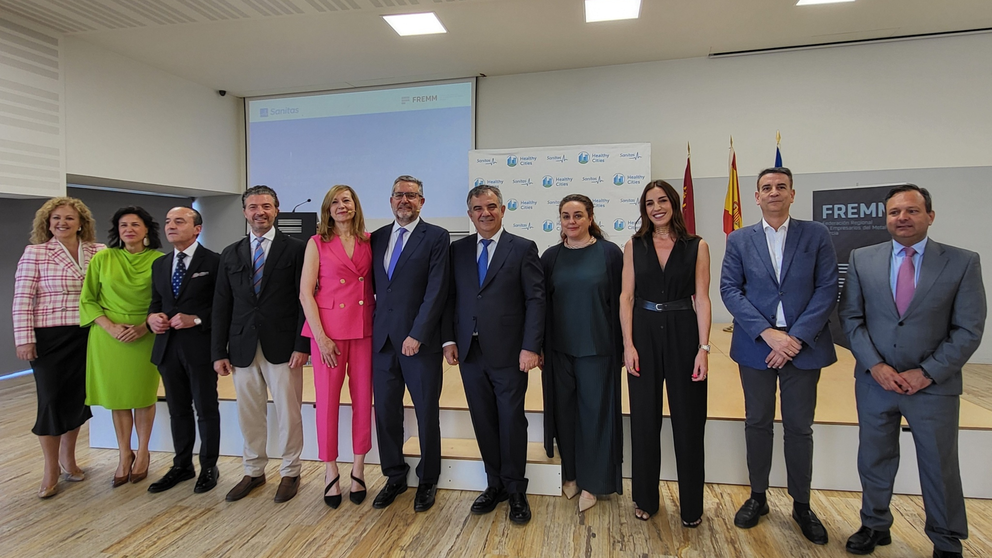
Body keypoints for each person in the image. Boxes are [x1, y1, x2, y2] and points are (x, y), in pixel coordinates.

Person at [839, 185, 985, 558]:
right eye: (894, 212)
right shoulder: (862, 259)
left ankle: (946, 539)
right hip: (876, 383)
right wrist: (877, 366)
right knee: (873, 459)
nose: (902, 218)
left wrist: (928, 373)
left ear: (929, 216)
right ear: (885, 217)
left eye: (911, 211)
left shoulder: (962, 262)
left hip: (932, 387)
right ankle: (874, 525)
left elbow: (969, 329)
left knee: (939, 464)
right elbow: (851, 319)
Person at [720, 167, 838, 545]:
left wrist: (796, 338)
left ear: (792, 193)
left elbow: (827, 288)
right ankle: (758, 497)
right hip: (756, 347)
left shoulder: (816, 234)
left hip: (804, 349)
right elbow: (729, 289)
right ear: (756, 196)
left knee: (799, 427)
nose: (773, 192)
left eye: (780, 187)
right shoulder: (739, 239)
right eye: (766, 188)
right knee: (757, 422)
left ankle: (801, 505)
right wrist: (769, 334)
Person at [441, 185, 544, 524]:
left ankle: (516, 490)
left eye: (491, 206)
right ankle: (495, 484)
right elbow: (450, 299)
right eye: (477, 208)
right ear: (469, 213)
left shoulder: (523, 248)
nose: (484, 213)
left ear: (503, 210)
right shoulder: (457, 250)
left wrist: (531, 346)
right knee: (483, 421)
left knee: (512, 421)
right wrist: (448, 341)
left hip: (511, 354)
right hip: (470, 352)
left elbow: (535, 300)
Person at [620, 180, 712, 526]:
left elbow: (702, 299)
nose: (656, 207)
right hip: (643, 333)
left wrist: (703, 349)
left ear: (674, 204)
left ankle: (691, 507)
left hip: (684, 333)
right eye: (649, 203)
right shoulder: (634, 245)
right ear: (644, 210)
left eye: (662, 200)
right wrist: (628, 345)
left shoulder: (697, 246)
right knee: (644, 421)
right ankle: (645, 497)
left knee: (689, 422)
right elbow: (626, 297)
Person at [212, 185, 310, 504]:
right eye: (253, 207)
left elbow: (303, 302)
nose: (260, 212)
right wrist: (218, 351)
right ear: (244, 212)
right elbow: (221, 305)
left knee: (288, 412)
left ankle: (290, 471)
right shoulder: (231, 253)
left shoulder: (297, 249)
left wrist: (302, 345)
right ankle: (253, 470)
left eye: (266, 206)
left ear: (276, 210)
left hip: (283, 348)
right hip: (241, 347)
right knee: (249, 413)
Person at [13, 197, 105, 499]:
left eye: (68, 218)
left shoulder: (99, 251)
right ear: (47, 223)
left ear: (81, 223)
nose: (62, 223)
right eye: (56, 219)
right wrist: (24, 338)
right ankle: (50, 469)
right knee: (51, 400)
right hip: (49, 338)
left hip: (87, 335)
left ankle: (69, 459)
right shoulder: (36, 253)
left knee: (78, 399)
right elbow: (23, 299)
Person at [369, 175, 450, 512]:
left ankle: (428, 478)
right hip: (382, 342)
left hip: (419, 343)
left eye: (412, 196)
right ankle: (395, 475)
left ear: (422, 202)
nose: (405, 200)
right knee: (386, 413)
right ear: (390, 201)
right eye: (399, 195)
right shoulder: (376, 238)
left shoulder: (436, 237)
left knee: (426, 412)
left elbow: (437, 290)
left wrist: (417, 333)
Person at [540, 194, 623, 513]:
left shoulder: (610, 254)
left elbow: (621, 302)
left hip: (598, 350)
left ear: (590, 218)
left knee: (595, 416)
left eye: (578, 215)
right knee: (566, 415)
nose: (571, 221)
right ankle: (571, 475)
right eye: (565, 216)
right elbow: (542, 306)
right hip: (559, 352)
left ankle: (593, 482)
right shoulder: (550, 257)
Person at [300, 185, 375, 508]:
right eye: (335, 202)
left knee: (363, 401)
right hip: (328, 334)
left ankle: (358, 467)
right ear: (327, 210)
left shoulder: (370, 241)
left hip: (363, 330)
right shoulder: (317, 243)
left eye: (346, 200)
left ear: (355, 206)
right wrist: (320, 337)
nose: (341, 206)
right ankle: (330, 469)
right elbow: (306, 293)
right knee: (327, 403)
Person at [80, 206, 164, 488]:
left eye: (135, 225)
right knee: (118, 398)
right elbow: (88, 299)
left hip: (145, 334)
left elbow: (165, 301)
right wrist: (110, 326)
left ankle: (142, 453)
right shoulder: (102, 259)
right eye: (123, 225)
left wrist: (144, 326)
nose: (129, 229)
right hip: (108, 336)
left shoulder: (160, 260)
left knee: (142, 396)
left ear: (146, 230)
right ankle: (123, 454)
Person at [146, 207, 221, 495]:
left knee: (205, 408)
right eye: (167, 222)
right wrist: (152, 319)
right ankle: (181, 465)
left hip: (200, 346)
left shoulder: (214, 262)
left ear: (197, 228)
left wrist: (197, 318)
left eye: (179, 221)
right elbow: (156, 302)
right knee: (177, 410)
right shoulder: (160, 264)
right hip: (167, 347)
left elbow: (222, 306)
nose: (171, 226)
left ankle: (209, 466)